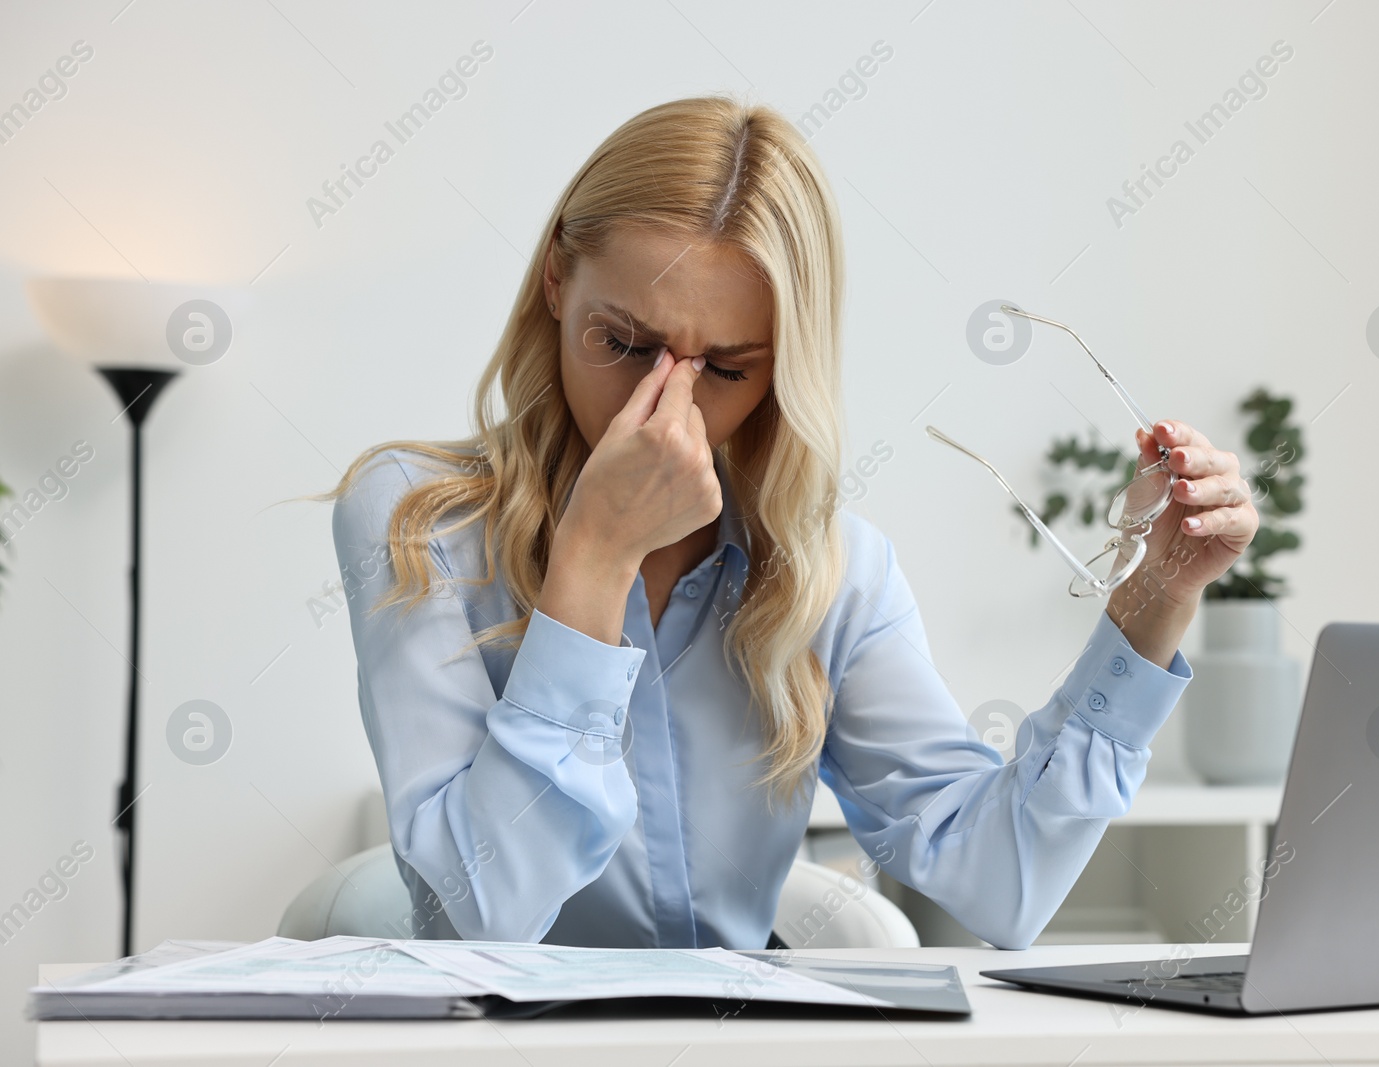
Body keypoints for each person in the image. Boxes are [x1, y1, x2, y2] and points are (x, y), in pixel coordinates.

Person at [320, 96, 1258, 952]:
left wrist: (1156, 596)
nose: (662, 408)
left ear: (780, 371)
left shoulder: (833, 570)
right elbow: (474, 916)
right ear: (555, 282)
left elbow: (1001, 882)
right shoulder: (416, 523)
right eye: (624, 343)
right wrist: (595, 559)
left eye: (725, 369)